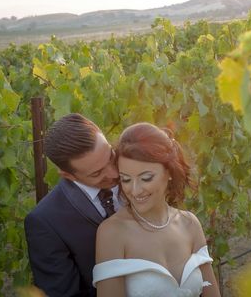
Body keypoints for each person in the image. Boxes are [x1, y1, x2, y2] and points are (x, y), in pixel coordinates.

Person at [93, 122, 220, 297]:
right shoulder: (112, 233)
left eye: (146, 178)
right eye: (126, 179)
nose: (135, 190)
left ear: (168, 172)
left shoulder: (189, 224)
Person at [24, 113, 120, 297]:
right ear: (68, 175)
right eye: (97, 173)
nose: (114, 173)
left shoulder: (137, 173)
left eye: (110, 156)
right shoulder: (45, 222)